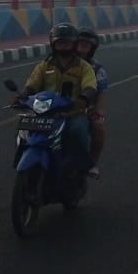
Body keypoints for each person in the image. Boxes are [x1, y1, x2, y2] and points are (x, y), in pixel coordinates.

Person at [22, 23, 97, 172]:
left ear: (74, 44)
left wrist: (82, 99)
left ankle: (83, 165)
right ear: (53, 44)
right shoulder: (44, 66)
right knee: (23, 130)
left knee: (78, 130)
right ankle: (21, 155)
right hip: (45, 113)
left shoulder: (84, 67)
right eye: (60, 43)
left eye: (67, 43)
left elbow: (90, 86)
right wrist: (22, 96)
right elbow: (32, 84)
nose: (64, 47)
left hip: (72, 113)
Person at [76, 26, 109, 178]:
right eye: (79, 43)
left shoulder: (96, 68)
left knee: (98, 127)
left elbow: (101, 91)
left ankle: (91, 163)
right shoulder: (61, 62)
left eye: (86, 45)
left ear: (92, 48)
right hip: (59, 106)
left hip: (85, 108)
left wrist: (98, 111)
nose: (81, 48)